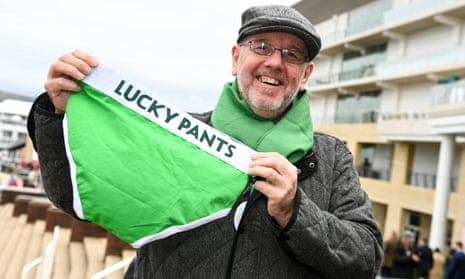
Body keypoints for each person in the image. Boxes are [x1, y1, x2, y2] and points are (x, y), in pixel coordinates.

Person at [27, 5, 383, 278]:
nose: (275, 62)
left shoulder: (330, 157)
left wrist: (295, 212)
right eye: (262, 46)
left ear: (305, 75)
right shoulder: (179, 136)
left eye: (292, 55)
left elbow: (366, 259)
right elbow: (77, 195)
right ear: (235, 59)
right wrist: (60, 116)